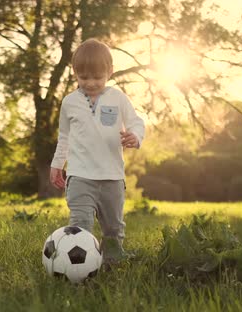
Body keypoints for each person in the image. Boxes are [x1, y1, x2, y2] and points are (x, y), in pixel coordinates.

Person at [49, 38, 145, 264]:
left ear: (110, 72)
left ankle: (112, 261)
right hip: (80, 175)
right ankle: (78, 269)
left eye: (97, 77)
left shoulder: (118, 98)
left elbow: (136, 122)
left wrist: (135, 136)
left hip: (112, 177)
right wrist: (56, 164)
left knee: (113, 228)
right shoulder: (69, 102)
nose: (91, 83)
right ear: (75, 73)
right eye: (84, 78)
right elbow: (64, 137)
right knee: (80, 224)